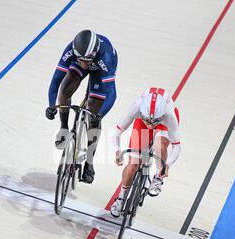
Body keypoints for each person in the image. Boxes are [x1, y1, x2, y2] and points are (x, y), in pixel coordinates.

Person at [45, 30, 118, 184]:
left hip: (100, 68)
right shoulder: (71, 50)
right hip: (82, 62)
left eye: (86, 60)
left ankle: (89, 162)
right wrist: (52, 106)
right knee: (65, 89)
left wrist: (100, 115)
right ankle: (64, 127)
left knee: (94, 111)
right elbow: (55, 82)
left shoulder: (105, 56)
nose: (84, 63)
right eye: (81, 60)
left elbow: (112, 93)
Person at [110, 87, 181, 217]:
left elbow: (177, 147)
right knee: (133, 164)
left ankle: (158, 178)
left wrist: (167, 166)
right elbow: (117, 133)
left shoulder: (169, 115)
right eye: (148, 121)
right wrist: (117, 151)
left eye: (153, 122)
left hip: (163, 124)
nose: (150, 125)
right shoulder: (136, 108)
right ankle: (121, 198)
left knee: (160, 146)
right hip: (142, 121)